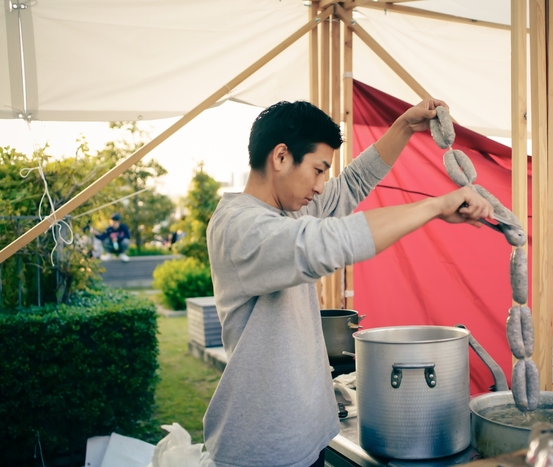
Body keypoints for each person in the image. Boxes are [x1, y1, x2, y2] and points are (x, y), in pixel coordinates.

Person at [204, 99, 494, 467]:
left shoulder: (285, 211)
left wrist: (404, 126)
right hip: (264, 448)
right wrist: (435, 207)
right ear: (280, 157)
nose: (322, 186)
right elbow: (329, 243)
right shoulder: (240, 229)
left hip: (304, 436)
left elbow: (352, 185)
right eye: (318, 170)